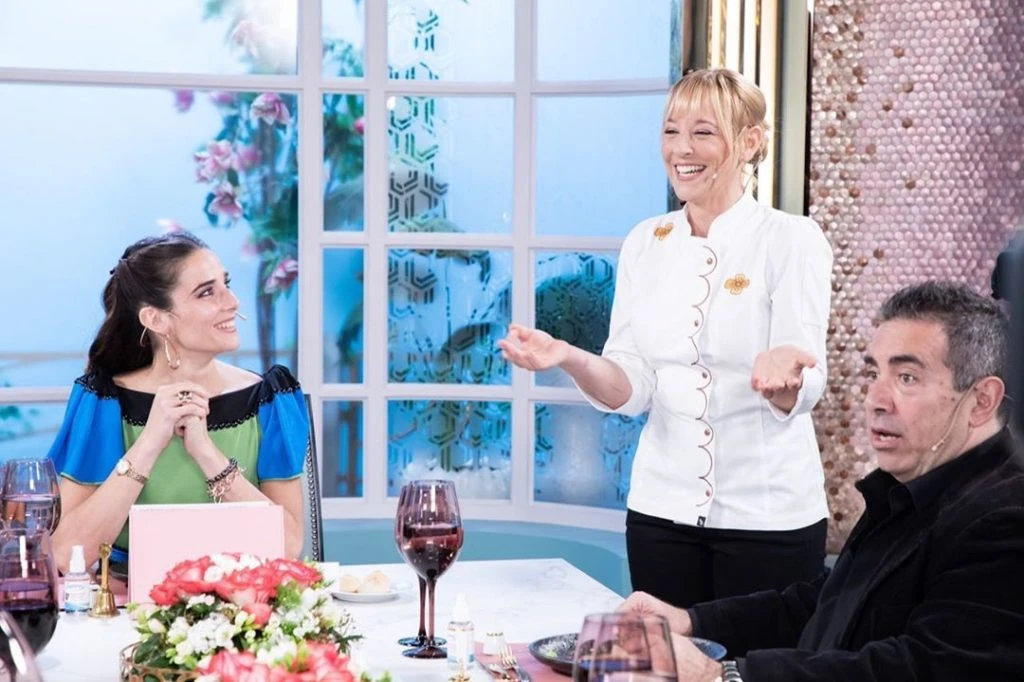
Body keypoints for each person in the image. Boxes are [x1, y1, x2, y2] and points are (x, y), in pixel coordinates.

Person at [498, 68, 832, 606]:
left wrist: (787, 377)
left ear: (750, 142)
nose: (682, 149)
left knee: (762, 652)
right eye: (671, 131)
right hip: (660, 514)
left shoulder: (790, 239)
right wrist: (569, 357)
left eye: (703, 132)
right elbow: (632, 388)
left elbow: (807, 379)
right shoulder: (645, 242)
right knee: (663, 651)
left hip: (769, 517)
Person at [619, 281, 1024, 681]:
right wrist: (690, 620)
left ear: (982, 400)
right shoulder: (913, 486)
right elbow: (829, 603)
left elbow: (926, 668)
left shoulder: (1006, 519)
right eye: (874, 374)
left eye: (907, 378)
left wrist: (721, 675)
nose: (875, 400)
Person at [48, 232, 309, 573]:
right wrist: (150, 442)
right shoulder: (104, 403)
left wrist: (208, 455)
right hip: (129, 602)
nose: (233, 301)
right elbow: (66, 555)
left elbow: (288, 547)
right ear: (156, 319)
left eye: (226, 284)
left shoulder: (268, 398)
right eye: (207, 292)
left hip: (242, 600)